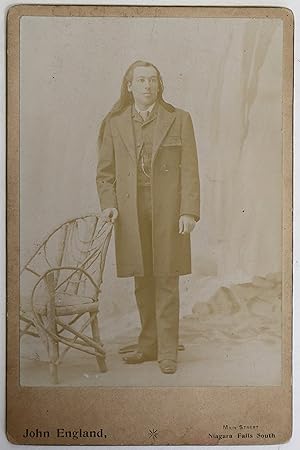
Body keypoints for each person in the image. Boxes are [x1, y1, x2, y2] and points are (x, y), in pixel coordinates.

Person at [96, 60, 200, 374]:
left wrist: (188, 211)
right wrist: (109, 205)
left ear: (159, 85)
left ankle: (168, 351)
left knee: (167, 278)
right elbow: (105, 174)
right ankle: (148, 344)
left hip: (168, 212)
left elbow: (191, 170)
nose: (147, 86)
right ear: (129, 86)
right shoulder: (114, 123)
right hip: (130, 213)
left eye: (152, 80)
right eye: (141, 80)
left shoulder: (178, 119)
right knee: (142, 280)